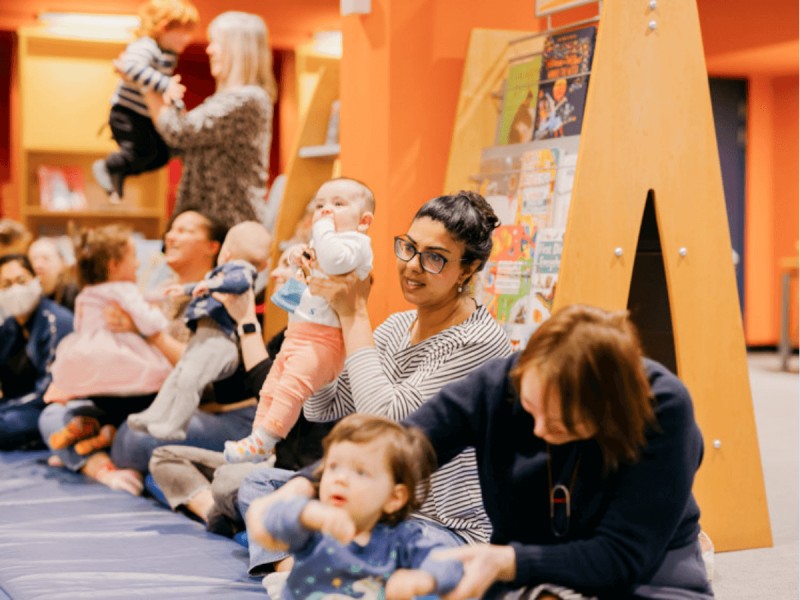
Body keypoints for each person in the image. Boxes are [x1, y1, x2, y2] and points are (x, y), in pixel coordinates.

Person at [238, 190, 511, 575]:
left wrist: (354, 315)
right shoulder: (398, 325)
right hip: (372, 503)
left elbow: (392, 423)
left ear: (468, 270)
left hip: (438, 524)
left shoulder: (478, 341)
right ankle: (302, 564)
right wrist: (314, 322)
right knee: (257, 486)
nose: (412, 266)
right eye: (408, 248)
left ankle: (308, 561)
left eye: (435, 258)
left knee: (398, 542)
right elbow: (322, 408)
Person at [398, 304, 713, 600]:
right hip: (528, 554)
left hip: (644, 564)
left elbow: (621, 556)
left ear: (609, 409)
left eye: (564, 423)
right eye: (530, 407)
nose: (539, 430)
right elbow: (409, 443)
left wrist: (507, 561)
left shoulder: (663, 407)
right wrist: (366, 477)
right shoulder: (500, 383)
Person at [147, 245, 333, 532]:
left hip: (293, 469)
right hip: (264, 458)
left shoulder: (322, 342)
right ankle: (215, 513)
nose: (275, 273)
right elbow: (230, 390)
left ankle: (233, 514)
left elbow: (268, 391)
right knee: (164, 457)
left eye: (288, 266)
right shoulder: (285, 335)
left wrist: (247, 323)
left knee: (230, 481)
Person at [224, 177, 374, 464]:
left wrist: (321, 229)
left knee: (289, 388)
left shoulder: (355, 245)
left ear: (364, 220)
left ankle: (266, 440)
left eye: (338, 204)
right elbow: (294, 295)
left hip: (322, 341)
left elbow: (332, 261)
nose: (326, 211)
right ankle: (259, 441)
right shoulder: (321, 248)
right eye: (320, 205)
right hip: (298, 336)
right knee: (271, 388)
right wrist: (295, 260)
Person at [245, 414, 464, 600]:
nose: (340, 479)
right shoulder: (315, 529)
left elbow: (449, 563)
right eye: (332, 467)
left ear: (394, 498)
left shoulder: (403, 539)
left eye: (360, 472)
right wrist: (305, 514)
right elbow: (270, 522)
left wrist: (425, 578)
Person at [131, 10, 277, 227]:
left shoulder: (248, 99)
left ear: (237, 49)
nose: (209, 50)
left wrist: (146, 82)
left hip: (227, 229)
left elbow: (180, 132)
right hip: (207, 226)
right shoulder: (227, 99)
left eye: (216, 42)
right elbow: (184, 137)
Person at [127, 221, 271, 440]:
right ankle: (154, 415)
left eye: (186, 229)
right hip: (203, 338)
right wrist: (185, 289)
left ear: (223, 252)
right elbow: (206, 285)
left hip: (218, 342)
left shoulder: (239, 271)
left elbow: (237, 282)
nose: (172, 236)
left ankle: (175, 425)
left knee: (188, 380)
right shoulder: (218, 275)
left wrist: (211, 286)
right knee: (177, 378)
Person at [45, 224, 172, 405]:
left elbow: (79, 326)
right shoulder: (123, 290)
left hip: (88, 356)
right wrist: (159, 316)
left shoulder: (87, 292)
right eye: (134, 257)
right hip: (118, 357)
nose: (137, 263)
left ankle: (100, 425)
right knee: (153, 380)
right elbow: (147, 321)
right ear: (114, 265)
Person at [93, 0, 198, 202]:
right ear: (165, 27)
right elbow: (130, 67)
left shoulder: (167, 54)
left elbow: (161, 90)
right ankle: (109, 166)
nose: (188, 39)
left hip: (143, 115)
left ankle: (119, 174)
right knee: (140, 152)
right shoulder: (146, 46)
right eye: (184, 32)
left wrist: (175, 103)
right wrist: (165, 84)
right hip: (127, 113)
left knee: (159, 156)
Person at [0, 254, 73, 449]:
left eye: (21, 280)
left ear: (35, 280)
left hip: (48, 407)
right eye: (6, 285)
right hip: (14, 406)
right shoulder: (9, 326)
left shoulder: (57, 322)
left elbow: (47, 390)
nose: (15, 289)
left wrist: (5, 407)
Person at [28, 237, 79, 312]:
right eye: (34, 259)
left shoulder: (74, 293)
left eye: (45, 258)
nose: (37, 265)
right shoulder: (28, 293)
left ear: (62, 263)